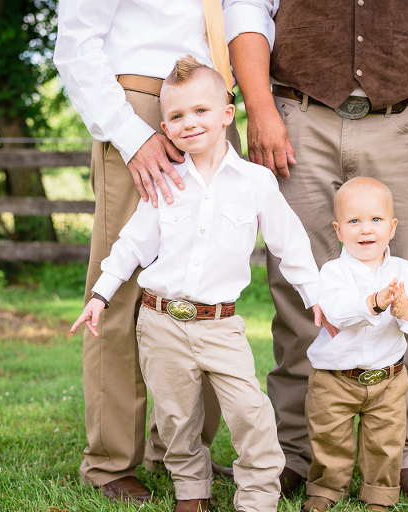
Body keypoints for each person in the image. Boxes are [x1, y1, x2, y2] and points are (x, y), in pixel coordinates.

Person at [228, 0, 408, 500]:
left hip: (400, 120)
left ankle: (400, 456)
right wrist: (259, 109)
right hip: (298, 116)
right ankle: (298, 452)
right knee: (299, 295)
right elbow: (248, 8)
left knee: (396, 286)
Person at [71, 57, 324, 512]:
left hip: (220, 326)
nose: (190, 123)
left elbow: (292, 245)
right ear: (165, 126)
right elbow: (131, 244)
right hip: (160, 322)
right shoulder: (165, 181)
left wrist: (316, 298)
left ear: (228, 114)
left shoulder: (256, 182)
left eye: (201, 111)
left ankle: (258, 497)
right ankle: (191, 491)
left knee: (251, 413)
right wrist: (101, 294)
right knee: (175, 418)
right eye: (177, 116)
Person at [53, 0, 275, 504]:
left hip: (216, 102)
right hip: (144, 104)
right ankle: (110, 461)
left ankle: (180, 450)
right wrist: (132, 136)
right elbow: (76, 41)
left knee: (205, 287)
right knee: (122, 289)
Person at [300, 178, 408, 512]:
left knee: (385, 442)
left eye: (375, 220)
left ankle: (379, 494)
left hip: (387, 379)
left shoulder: (403, 270)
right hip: (335, 378)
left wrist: (406, 310)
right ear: (338, 229)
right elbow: (338, 312)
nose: (365, 230)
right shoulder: (334, 272)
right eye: (354, 221)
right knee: (330, 438)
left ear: (392, 227)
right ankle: (327, 489)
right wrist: (375, 302)